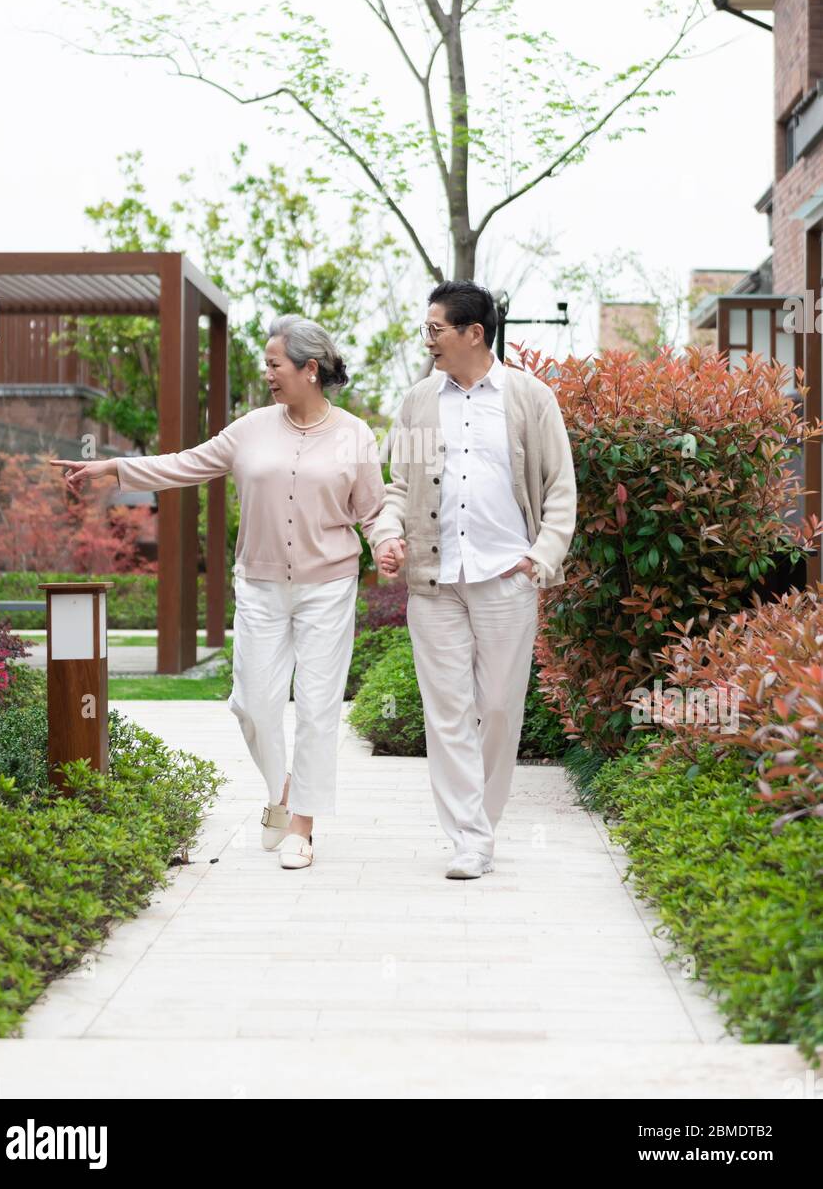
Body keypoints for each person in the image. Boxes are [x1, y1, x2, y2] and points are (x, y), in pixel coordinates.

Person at [50, 315, 386, 871]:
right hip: (259, 584)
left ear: (309, 368)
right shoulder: (252, 427)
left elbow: (371, 512)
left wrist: (388, 542)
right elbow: (186, 464)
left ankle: (302, 822)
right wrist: (114, 469)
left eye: (275, 364)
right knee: (252, 704)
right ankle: (281, 790)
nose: (268, 374)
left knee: (319, 707)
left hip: (328, 585)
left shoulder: (354, 434)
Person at [369, 281, 577, 879]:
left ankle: (481, 822)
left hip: (505, 577)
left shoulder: (530, 398)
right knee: (448, 710)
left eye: (435, 329)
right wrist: (386, 535)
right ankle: (468, 836)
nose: (427, 339)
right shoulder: (415, 403)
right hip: (434, 582)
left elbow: (560, 489)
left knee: (500, 707)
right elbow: (399, 488)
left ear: (474, 333)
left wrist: (541, 556)